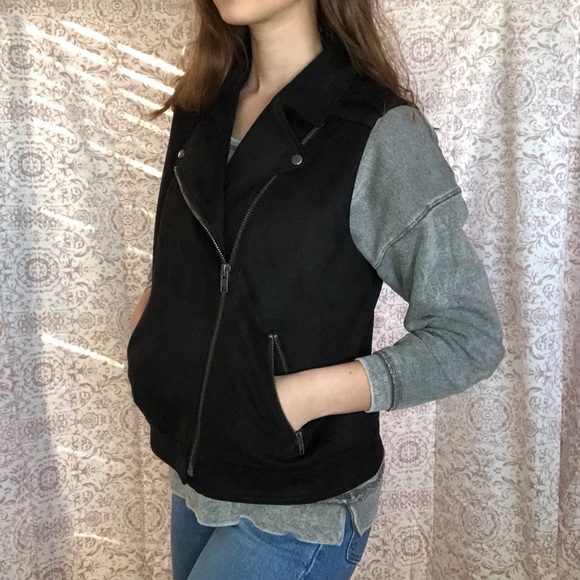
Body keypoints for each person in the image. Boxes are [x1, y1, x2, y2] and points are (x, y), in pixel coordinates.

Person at [126, 0, 506, 578]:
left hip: (300, 504)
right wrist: (152, 338)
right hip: (194, 473)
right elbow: (188, 258)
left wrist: (294, 400)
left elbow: (468, 335)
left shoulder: (376, 131)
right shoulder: (201, 105)